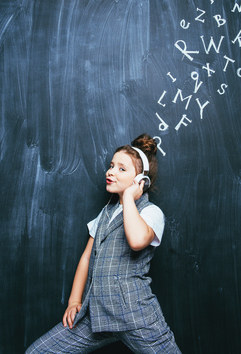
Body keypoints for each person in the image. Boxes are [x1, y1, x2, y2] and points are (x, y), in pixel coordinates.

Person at [25, 133, 181, 353]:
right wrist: (74, 300)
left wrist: (128, 197)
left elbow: (136, 241)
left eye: (121, 169)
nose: (110, 171)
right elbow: (87, 257)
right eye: (111, 165)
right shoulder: (105, 213)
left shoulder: (151, 212)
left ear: (141, 180)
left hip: (136, 316)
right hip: (97, 314)